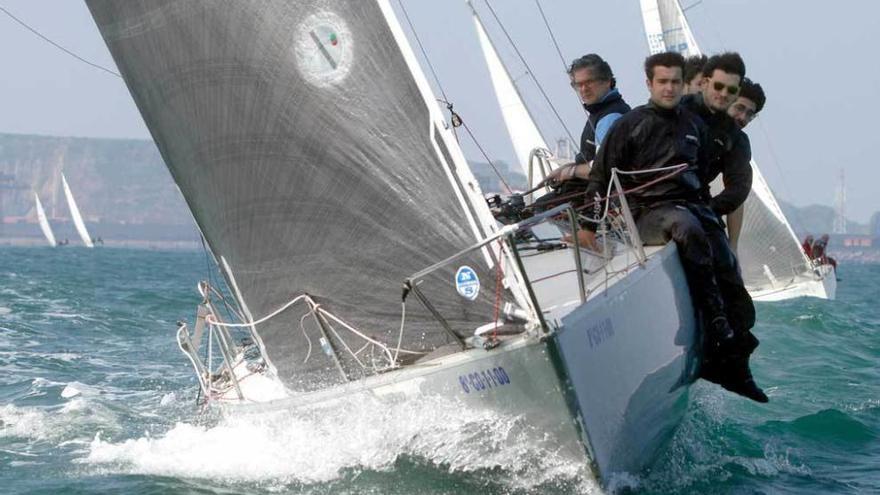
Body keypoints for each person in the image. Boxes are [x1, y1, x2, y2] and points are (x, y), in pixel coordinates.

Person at [577, 51, 768, 402]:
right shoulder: (634, 121)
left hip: (690, 208)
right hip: (651, 213)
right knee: (687, 227)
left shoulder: (704, 129)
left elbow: (735, 187)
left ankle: (732, 362)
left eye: (732, 92)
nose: (725, 98)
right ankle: (715, 324)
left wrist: (722, 229)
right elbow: (602, 172)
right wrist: (589, 223)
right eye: (662, 82)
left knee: (727, 266)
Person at [682, 53, 753, 253]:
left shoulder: (735, 136)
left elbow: (739, 187)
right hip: (653, 206)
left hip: (698, 207)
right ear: (705, 83)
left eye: (730, 90)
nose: (723, 94)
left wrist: (709, 209)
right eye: (718, 87)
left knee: (727, 273)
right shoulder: (669, 113)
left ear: (736, 91)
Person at [538, 54, 630, 199]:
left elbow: (602, 168)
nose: (583, 89)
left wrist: (571, 171)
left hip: (603, 195)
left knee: (536, 211)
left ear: (607, 81)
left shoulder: (610, 118)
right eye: (578, 84)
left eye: (589, 82)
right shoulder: (601, 111)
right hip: (594, 188)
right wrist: (566, 168)